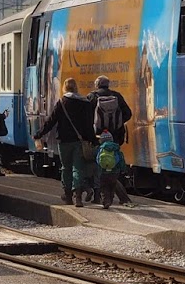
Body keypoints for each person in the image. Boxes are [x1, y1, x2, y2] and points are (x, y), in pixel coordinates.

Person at [33, 76, 95, 206]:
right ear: (76, 87)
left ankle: (68, 196)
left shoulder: (62, 102)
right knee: (78, 168)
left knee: (66, 168)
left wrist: (39, 134)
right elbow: (88, 124)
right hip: (79, 141)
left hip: (64, 142)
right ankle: (78, 196)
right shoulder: (85, 103)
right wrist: (92, 140)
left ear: (65, 88)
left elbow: (51, 121)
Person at [94, 131, 132, 209]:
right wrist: (123, 169)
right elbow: (121, 160)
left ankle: (106, 201)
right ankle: (110, 200)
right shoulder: (116, 148)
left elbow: (97, 160)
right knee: (112, 186)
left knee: (104, 188)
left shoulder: (100, 148)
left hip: (103, 172)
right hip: (114, 172)